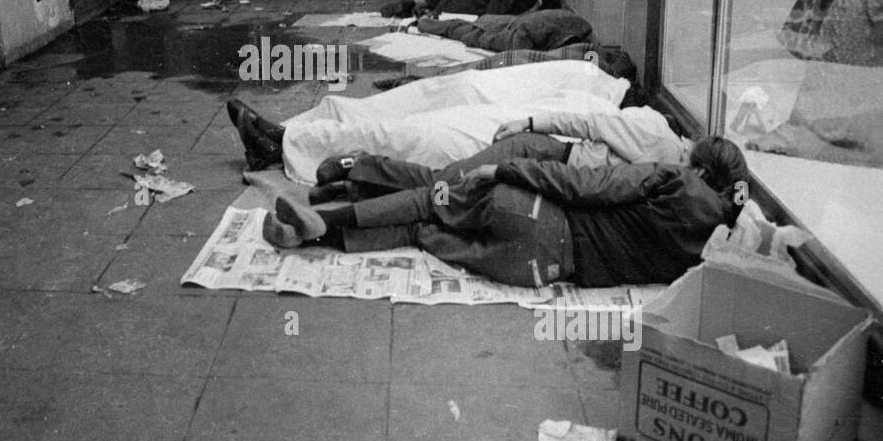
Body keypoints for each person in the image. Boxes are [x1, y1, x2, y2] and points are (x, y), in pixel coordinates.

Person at [261, 136, 749, 289]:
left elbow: (583, 185)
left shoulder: (676, 180)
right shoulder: (709, 253)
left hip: (537, 216)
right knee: (419, 232)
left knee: (431, 200)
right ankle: (310, 238)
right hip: (537, 269)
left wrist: (504, 170)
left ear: (701, 169)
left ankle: (327, 223)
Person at [226, 59, 633, 182]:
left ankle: (282, 143)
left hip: (526, 138)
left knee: (409, 135)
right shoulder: (603, 91)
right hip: (527, 121)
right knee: (425, 100)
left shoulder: (655, 164)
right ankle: (299, 131)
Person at [308, 105, 693, 204]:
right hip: (546, 155)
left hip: (553, 175)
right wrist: (528, 121)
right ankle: (358, 168)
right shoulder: (657, 135)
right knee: (448, 181)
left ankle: (355, 188)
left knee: (450, 192)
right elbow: (586, 123)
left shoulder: (675, 175)